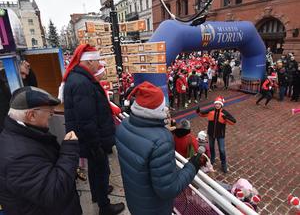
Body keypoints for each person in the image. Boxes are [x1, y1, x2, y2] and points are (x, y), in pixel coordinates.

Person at [116, 81, 204, 215]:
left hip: (135, 200)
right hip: (154, 208)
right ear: (157, 110)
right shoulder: (161, 140)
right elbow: (168, 189)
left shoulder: (124, 125)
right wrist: (192, 166)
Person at [61, 44, 124, 215]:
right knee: (101, 170)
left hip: (89, 139)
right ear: (88, 63)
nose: (99, 64)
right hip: (93, 140)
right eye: (97, 61)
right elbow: (86, 119)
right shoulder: (82, 82)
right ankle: (105, 206)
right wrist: (96, 145)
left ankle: (98, 194)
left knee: (96, 170)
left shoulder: (79, 78)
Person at [0, 86, 82, 214]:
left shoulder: (24, 133)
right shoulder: (18, 157)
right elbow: (54, 193)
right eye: (49, 112)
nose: (51, 116)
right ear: (31, 115)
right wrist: (69, 151)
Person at [196, 96, 236, 173]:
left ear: (221, 105)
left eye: (219, 104)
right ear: (214, 104)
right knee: (211, 147)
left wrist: (225, 118)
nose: (217, 105)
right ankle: (212, 159)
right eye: (216, 104)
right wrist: (198, 111)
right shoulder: (211, 110)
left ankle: (223, 164)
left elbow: (233, 121)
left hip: (220, 134)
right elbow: (202, 114)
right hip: (211, 133)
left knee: (222, 150)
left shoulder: (224, 112)